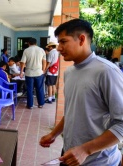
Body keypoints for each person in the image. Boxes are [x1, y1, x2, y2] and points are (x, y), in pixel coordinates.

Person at [39, 19, 123, 166]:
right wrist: (54, 134)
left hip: (99, 161)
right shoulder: (69, 72)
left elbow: (121, 124)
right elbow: (72, 110)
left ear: (82, 39)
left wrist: (85, 150)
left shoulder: (107, 72)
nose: (58, 48)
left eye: (63, 41)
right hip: (70, 155)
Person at [19, 38, 46, 109]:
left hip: (29, 73)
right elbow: (44, 61)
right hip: (39, 72)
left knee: (29, 89)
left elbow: (23, 63)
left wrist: (21, 72)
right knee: (39, 88)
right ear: (36, 43)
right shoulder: (41, 50)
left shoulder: (26, 50)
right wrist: (43, 70)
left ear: (29, 43)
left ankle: (30, 105)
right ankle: (40, 104)